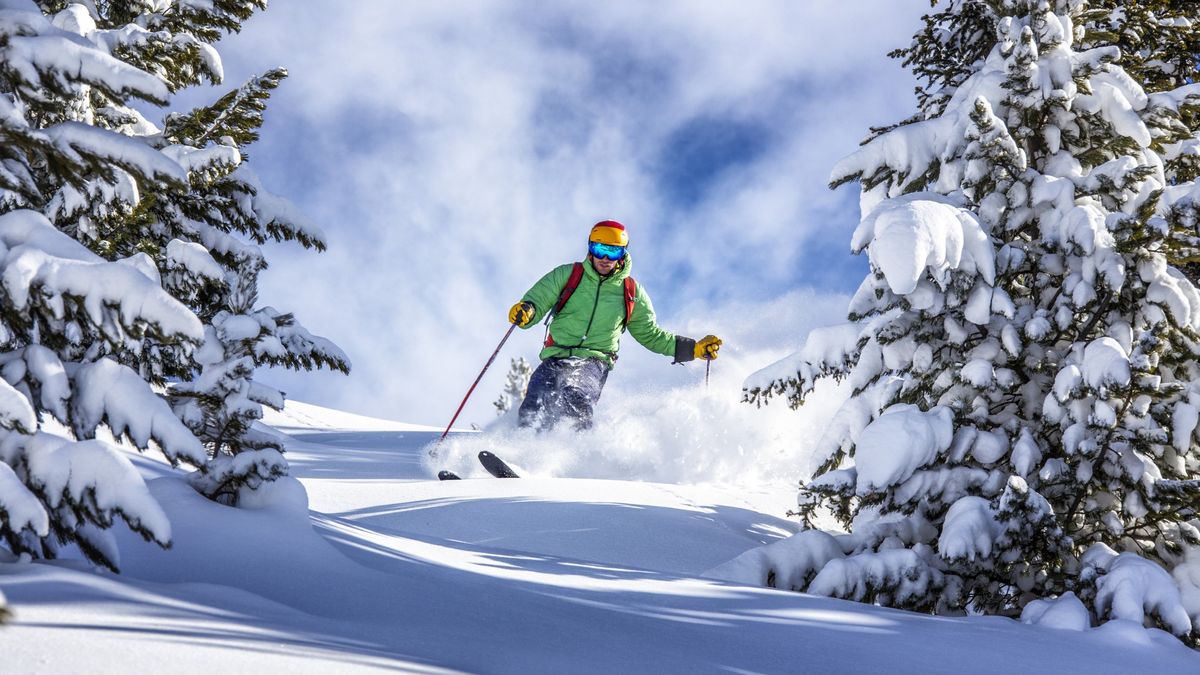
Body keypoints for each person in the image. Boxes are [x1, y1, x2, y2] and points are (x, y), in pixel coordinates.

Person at [508, 220, 721, 431]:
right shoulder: (568, 275)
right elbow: (539, 299)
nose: (605, 258)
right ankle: (525, 447)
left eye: (614, 252)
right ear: (590, 249)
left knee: (575, 395)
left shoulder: (631, 291)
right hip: (556, 355)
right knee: (536, 397)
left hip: (594, 361)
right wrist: (527, 310)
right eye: (599, 249)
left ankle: (574, 451)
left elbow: (651, 334)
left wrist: (693, 349)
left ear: (623, 254)